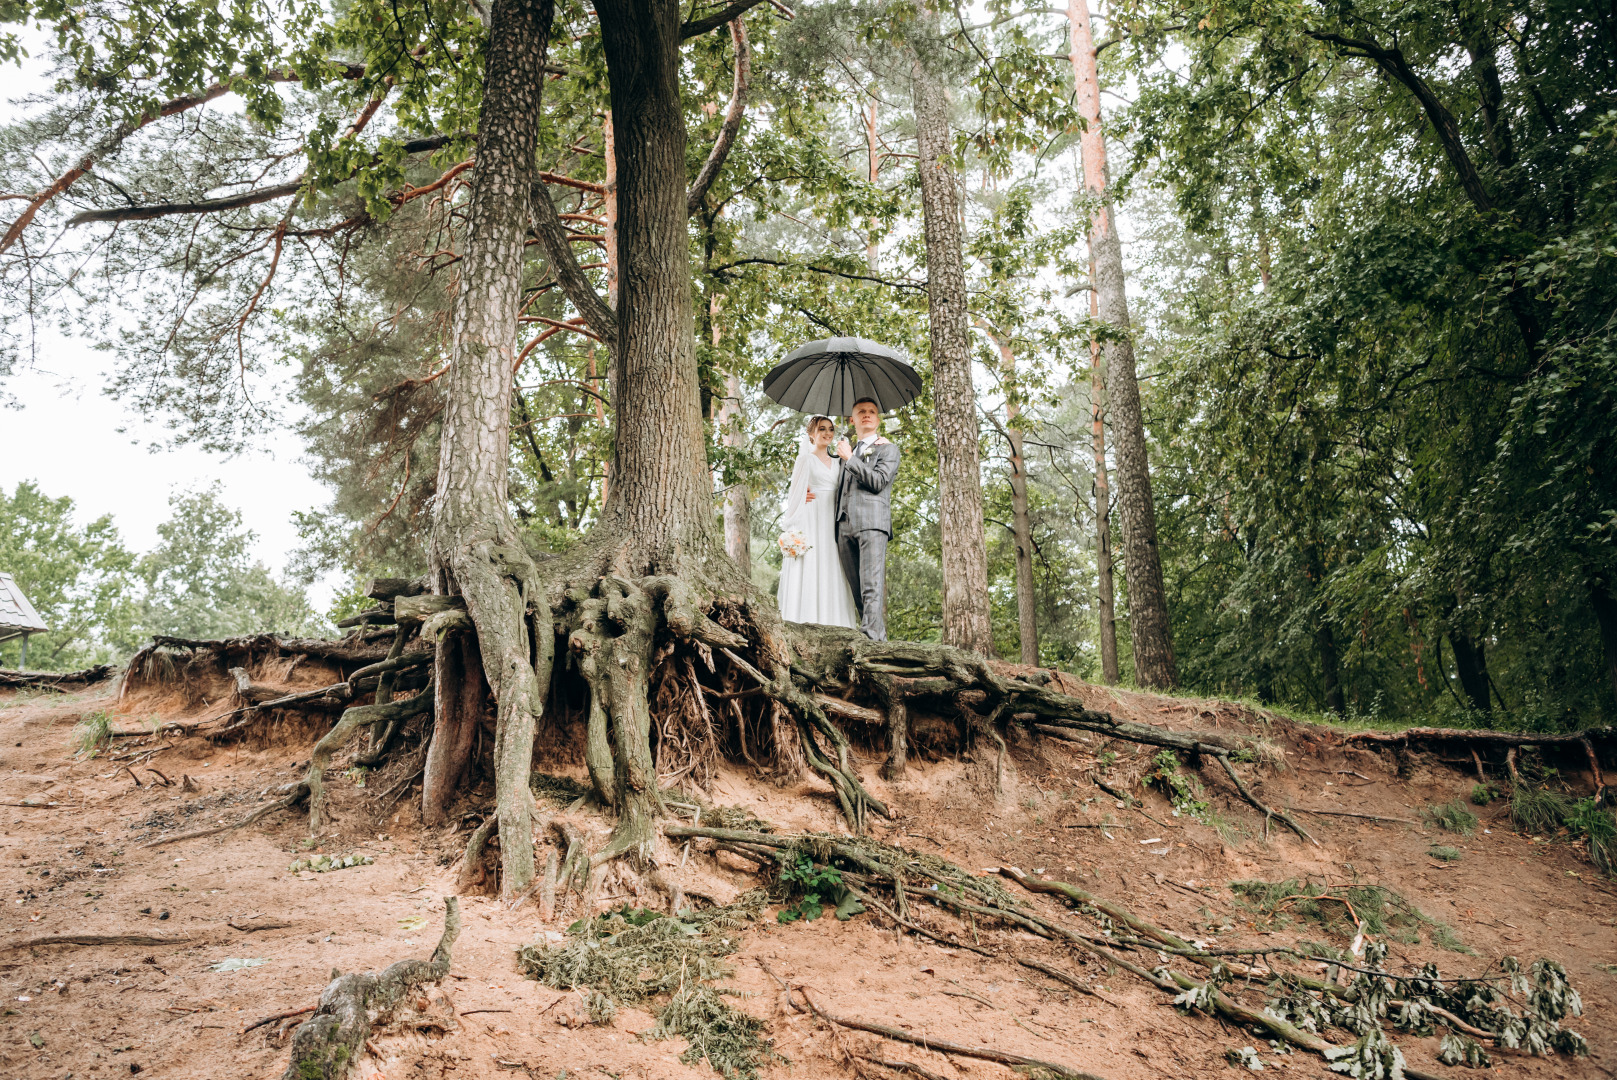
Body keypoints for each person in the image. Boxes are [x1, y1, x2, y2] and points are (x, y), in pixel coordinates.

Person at [777, 415, 860, 628]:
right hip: (812, 520)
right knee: (813, 565)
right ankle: (807, 620)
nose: (827, 433)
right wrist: (800, 501)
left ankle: (835, 622)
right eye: (822, 429)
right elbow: (794, 496)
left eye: (830, 429)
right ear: (811, 434)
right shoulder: (804, 460)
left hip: (833, 521)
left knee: (834, 567)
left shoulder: (839, 461)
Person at [834, 397, 900, 641]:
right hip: (844, 526)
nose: (867, 415)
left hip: (872, 524)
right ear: (852, 420)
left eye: (872, 411)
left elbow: (878, 482)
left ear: (878, 419)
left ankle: (870, 641)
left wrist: (850, 459)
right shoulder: (845, 450)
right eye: (861, 412)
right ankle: (876, 640)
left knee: (871, 586)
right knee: (857, 589)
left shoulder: (888, 449)